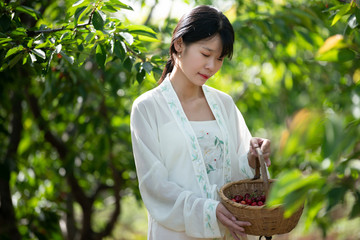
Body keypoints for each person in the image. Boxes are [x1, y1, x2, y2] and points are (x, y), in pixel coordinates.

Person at [130, 5, 271, 240]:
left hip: (228, 233)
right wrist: (208, 210)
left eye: (220, 59)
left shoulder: (224, 104)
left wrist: (252, 157)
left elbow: (240, 177)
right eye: (206, 54)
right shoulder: (147, 109)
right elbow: (154, 185)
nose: (212, 67)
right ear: (179, 44)